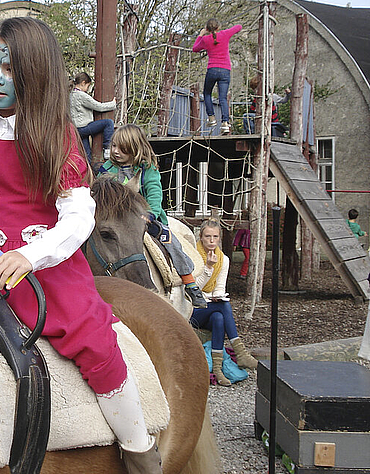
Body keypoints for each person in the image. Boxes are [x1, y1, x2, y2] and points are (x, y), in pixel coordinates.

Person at [0, 17, 162, 472]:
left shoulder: (56, 135)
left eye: (10, 68)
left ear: (34, 73)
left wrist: (29, 255)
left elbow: (79, 217)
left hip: (46, 264)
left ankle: (139, 451)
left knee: (93, 339)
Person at [99, 124, 207, 310]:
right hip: (118, 221)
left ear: (135, 150)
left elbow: (155, 194)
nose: (116, 152)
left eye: (122, 149)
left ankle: (189, 282)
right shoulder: (108, 169)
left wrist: (150, 213)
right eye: (114, 146)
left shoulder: (147, 170)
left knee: (170, 242)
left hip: (144, 218)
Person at [191, 219, 258, 386]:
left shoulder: (223, 259)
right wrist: (207, 268)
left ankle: (218, 369)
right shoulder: (192, 256)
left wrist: (217, 296)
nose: (212, 240)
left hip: (210, 307)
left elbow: (219, 289)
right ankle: (240, 352)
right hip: (192, 308)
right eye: (207, 236)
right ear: (200, 236)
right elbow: (192, 289)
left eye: (215, 236)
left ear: (220, 238)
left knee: (219, 317)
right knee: (223, 306)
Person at [192, 18, 242, 135]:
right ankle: (225, 123)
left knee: (207, 93)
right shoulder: (225, 34)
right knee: (223, 97)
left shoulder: (205, 39)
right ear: (218, 27)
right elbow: (239, 26)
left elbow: (195, 49)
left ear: (207, 29)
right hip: (225, 70)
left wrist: (200, 35)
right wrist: (226, 31)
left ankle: (211, 117)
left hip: (212, 69)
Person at [69, 71, 116, 163]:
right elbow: (99, 107)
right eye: (88, 86)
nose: (87, 89)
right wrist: (113, 104)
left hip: (75, 130)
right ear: (83, 83)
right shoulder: (82, 96)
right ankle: (107, 149)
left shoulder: (70, 95)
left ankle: (87, 173)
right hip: (83, 127)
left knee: (87, 157)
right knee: (108, 123)